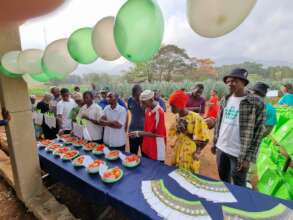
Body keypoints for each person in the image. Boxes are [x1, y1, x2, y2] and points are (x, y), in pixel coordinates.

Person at [212, 68, 265, 187]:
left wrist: (248, 158)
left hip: (239, 154)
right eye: (228, 81)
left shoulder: (256, 103)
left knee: (238, 184)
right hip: (221, 148)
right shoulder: (225, 99)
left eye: (235, 80)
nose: (230, 83)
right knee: (223, 180)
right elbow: (220, 123)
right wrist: (214, 142)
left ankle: (240, 205)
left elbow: (258, 132)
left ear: (244, 83)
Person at [169, 90, 209, 173]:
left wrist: (198, 152)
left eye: (173, 106)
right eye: (171, 106)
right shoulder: (176, 117)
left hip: (190, 154)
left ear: (180, 105)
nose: (171, 109)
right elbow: (173, 133)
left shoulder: (196, 118)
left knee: (188, 176)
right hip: (178, 151)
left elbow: (205, 139)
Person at [129, 90, 166, 161]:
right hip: (148, 144)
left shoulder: (159, 113)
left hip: (156, 147)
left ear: (151, 100)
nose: (141, 105)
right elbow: (147, 128)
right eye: (141, 102)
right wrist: (139, 133)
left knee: (156, 167)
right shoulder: (147, 109)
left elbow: (158, 134)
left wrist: (139, 133)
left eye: (144, 102)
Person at [128, 85, 145, 154]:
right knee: (133, 153)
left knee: (145, 154)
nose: (136, 97)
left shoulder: (145, 101)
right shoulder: (130, 100)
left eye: (138, 95)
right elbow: (130, 110)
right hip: (132, 131)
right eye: (135, 96)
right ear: (132, 94)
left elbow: (146, 114)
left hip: (143, 132)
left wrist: (141, 102)